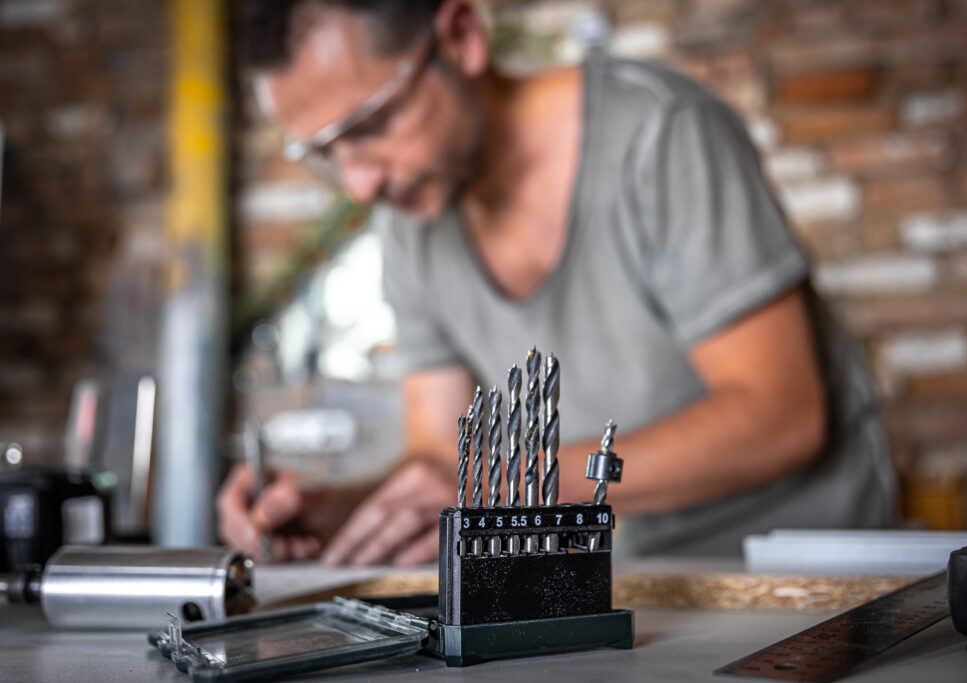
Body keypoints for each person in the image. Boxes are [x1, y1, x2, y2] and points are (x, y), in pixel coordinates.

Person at [218, 0, 897, 566]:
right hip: (648, 579)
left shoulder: (660, 135)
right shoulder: (410, 220)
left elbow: (782, 418)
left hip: (819, 571)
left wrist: (506, 484)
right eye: (326, 152)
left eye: (372, 124)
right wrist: (338, 509)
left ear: (461, 37)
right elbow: (439, 460)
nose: (361, 182)